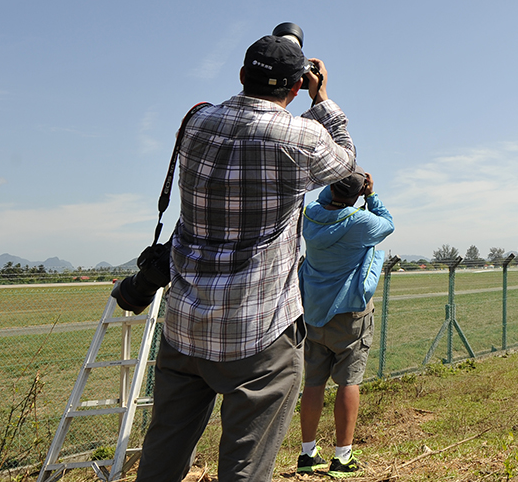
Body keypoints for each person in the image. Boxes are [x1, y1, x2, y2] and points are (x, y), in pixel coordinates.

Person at [136, 32, 357, 482]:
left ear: (240, 75)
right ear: (296, 88)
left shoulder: (196, 122)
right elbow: (346, 164)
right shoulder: (303, 136)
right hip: (261, 331)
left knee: (162, 455)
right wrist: (324, 103)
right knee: (245, 466)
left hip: (184, 324)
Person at [296, 169, 394, 477]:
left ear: (331, 188)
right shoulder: (359, 222)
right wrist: (371, 195)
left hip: (313, 310)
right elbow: (388, 224)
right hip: (350, 312)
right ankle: (342, 456)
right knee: (349, 382)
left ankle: (308, 453)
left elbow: (326, 199)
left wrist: (339, 182)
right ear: (357, 195)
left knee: (313, 383)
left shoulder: (310, 216)